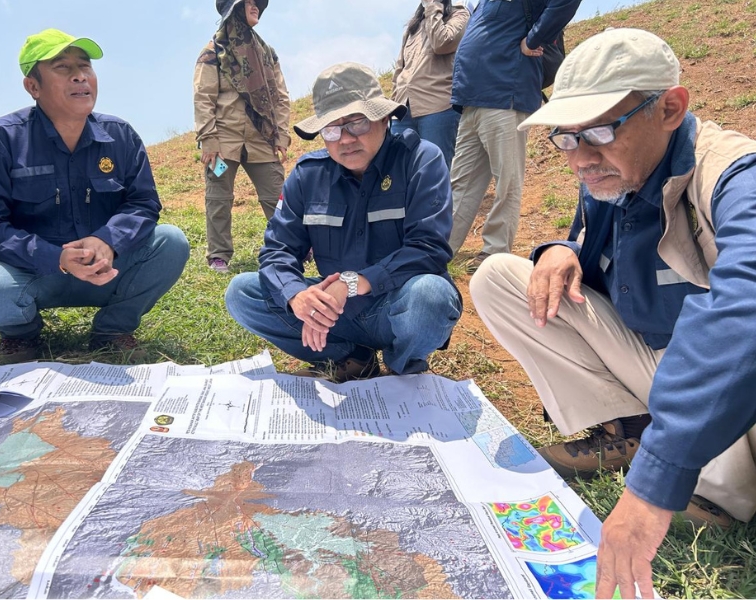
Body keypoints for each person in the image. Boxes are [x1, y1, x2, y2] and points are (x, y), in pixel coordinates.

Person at [469, 28, 756, 598]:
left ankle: (719, 492)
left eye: (598, 130)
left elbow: (743, 311)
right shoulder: (611, 171)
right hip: (659, 364)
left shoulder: (733, 175)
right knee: (502, 278)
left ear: (670, 108)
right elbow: (594, 249)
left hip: (727, 388)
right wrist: (561, 250)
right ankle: (628, 429)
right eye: (565, 138)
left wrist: (652, 489)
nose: (579, 157)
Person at [0, 28, 190, 364]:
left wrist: (107, 241)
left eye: (85, 66)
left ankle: (112, 329)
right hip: (31, 273)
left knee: (172, 242)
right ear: (33, 86)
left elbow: (143, 203)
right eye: (63, 68)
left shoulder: (120, 136)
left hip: (103, 271)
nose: (80, 76)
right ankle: (20, 336)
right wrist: (55, 258)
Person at [225, 63, 462, 381]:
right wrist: (297, 296)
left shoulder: (422, 159)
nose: (345, 139)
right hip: (337, 313)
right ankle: (351, 356)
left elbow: (429, 249)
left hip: (397, 306)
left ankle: (401, 364)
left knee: (431, 296)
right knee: (243, 293)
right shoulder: (307, 175)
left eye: (357, 123)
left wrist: (351, 283)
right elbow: (277, 252)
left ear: (383, 117)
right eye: (331, 130)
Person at [448, 0, 581, 272]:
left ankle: (494, 254)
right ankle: (440, 250)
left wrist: (534, 40)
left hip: (506, 94)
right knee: (460, 184)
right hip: (473, 100)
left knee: (507, 181)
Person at [194, 0, 291, 274]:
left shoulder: (266, 52)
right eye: (248, 2)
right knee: (218, 198)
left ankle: (291, 246)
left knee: (278, 196)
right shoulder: (213, 52)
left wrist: (281, 135)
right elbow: (203, 97)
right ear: (234, 8)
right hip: (223, 140)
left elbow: (281, 97)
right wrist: (208, 138)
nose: (255, 6)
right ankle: (219, 256)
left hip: (263, 138)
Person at [390, 0, 470, 170]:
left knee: (434, 169)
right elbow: (400, 68)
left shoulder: (459, 14)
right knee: (397, 169)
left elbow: (441, 43)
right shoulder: (414, 25)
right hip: (403, 109)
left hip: (437, 108)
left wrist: (432, 7)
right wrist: (393, 104)